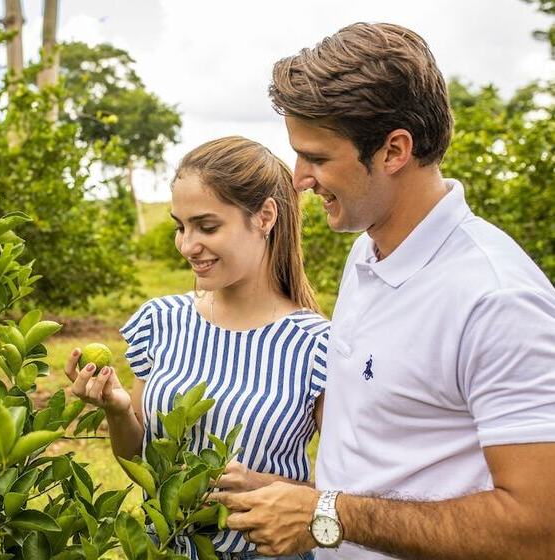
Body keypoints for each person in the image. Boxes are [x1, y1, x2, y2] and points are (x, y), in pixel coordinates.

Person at [213, 22, 555, 559]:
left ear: (394, 150)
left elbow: (540, 527)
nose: (299, 178)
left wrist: (328, 515)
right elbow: (397, 465)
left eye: (318, 158)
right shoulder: (369, 254)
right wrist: (304, 500)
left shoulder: (495, 299)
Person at [64, 136, 330, 559]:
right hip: (163, 548)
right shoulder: (161, 322)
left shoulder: (316, 346)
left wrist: (264, 487)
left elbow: (346, 498)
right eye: (180, 227)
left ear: (264, 217)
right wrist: (117, 410)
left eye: (207, 227)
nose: (188, 246)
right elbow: (142, 463)